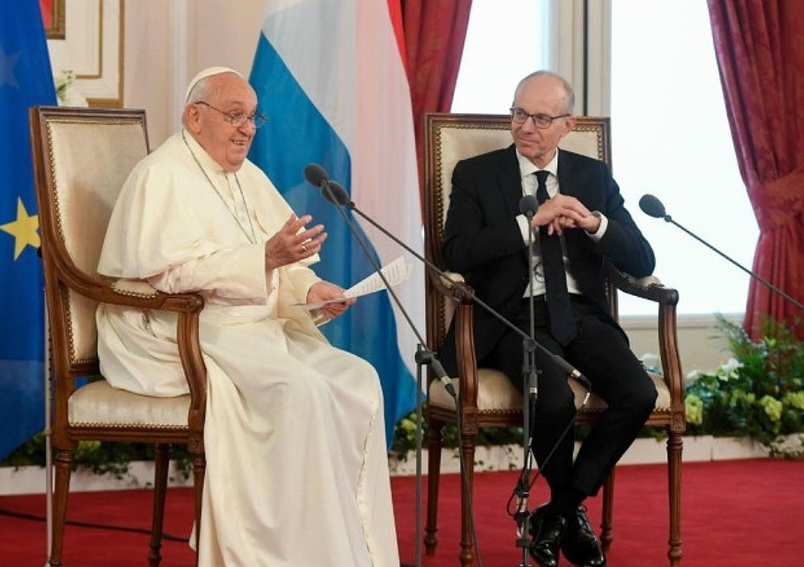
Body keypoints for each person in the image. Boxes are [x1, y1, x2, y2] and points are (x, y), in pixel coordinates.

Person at [95, 66, 400, 567]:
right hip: (179, 327)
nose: (246, 129)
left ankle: (344, 551)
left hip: (249, 327)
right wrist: (263, 259)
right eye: (234, 115)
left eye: (253, 117)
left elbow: (282, 268)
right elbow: (167, 275)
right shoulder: (161, 175)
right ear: (195, 117)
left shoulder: (248, 176)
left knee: (357, 379)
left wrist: (311, 288)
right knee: (297, 390)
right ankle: (276, 553)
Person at [440, 70, 657, 567]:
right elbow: (455, 251)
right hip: (511, 314)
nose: (525, 126)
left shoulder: (593, 178)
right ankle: (569, 517)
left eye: (540, 117)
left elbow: (641, 261)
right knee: (552, 398)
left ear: (567, 125)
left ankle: (558, 510)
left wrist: (595, 223)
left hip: (579, 312)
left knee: (638, 393)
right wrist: (525, 224)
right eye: (518, 113)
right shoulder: (476, 175)